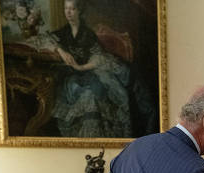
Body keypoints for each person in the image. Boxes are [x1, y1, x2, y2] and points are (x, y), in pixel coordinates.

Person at [50, 0, 154, 137]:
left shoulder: (88, 34)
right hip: (70, 77)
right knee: (80, 89)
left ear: (79, 11)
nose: (68, 13)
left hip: (88, 72)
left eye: (72, 9)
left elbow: (98, 57)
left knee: (107, 89)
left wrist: (81, 67)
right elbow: (45, 40)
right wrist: (60, 50)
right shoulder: (60, 34)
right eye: (66, 9)